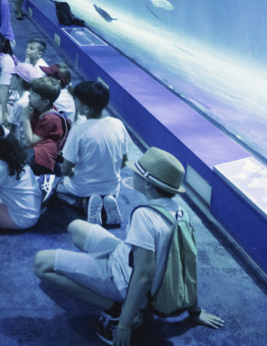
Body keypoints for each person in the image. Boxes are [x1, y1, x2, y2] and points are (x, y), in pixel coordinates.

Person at [33, 148, 225, 345]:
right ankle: (124, 298)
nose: (133, 174)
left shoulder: (144, 216)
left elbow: (144, 274)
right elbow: (187, 265)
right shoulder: (182, 213)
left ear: (148, 184)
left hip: (120, 278)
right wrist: (195, 311)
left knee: (41, 264)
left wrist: (124, 324)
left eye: (138, 172)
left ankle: (113, 308)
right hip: (124, 256)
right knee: (75, 227)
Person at [44, 81, 129, 227]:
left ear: (86, 108)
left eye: (76, 101)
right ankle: (107, 200)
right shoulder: (118, 124)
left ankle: (84, 202)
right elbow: (124, 161)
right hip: (112, 187)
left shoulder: (79, 130)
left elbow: (65, 170)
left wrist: (72, 173)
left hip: (82, 188)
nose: (75, 103)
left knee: (58, 188)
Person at [20, 76, 69, 176]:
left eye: (34, 95)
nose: (29, 96)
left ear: (45, 102)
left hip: (40, 159)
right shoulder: (40, 109)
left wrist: (25, 117)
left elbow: (30, 142)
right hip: (37, 154)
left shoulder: (50, 118)